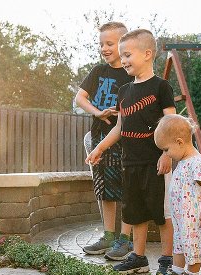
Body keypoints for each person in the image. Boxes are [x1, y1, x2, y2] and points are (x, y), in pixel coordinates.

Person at [86, 28, 175, 275]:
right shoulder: (124, 91)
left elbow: (172, 124)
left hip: (156, 163)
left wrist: (167, 153)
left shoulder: (161, 87)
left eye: (127, 55)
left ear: (147, 54)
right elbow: (120, 127)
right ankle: (138, 257)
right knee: (135, 212)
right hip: (130, 162)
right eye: (121, 56)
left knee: (161, 213)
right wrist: (100, 147)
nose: (123, 60)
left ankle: (167, 260)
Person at [76, 21, 135, 260]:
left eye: (110, 43)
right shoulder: (98, 71)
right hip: (100, 135)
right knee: (105, 190)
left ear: (122, 44)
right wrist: (97, 112)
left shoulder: (131, 73)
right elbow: (80, 98)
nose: (104, 48)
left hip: (125, 139)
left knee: (126, 189)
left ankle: (125, 240)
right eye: (101, 44)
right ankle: (108, 236)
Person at [154, 114, 201, 275]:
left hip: (195, 219)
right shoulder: (182, 161)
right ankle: (177, 271)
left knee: (193, 246)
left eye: (166, 150)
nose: (166, 154)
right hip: (182, 219)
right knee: (180, 245)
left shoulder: (197, 162)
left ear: (180, 142)